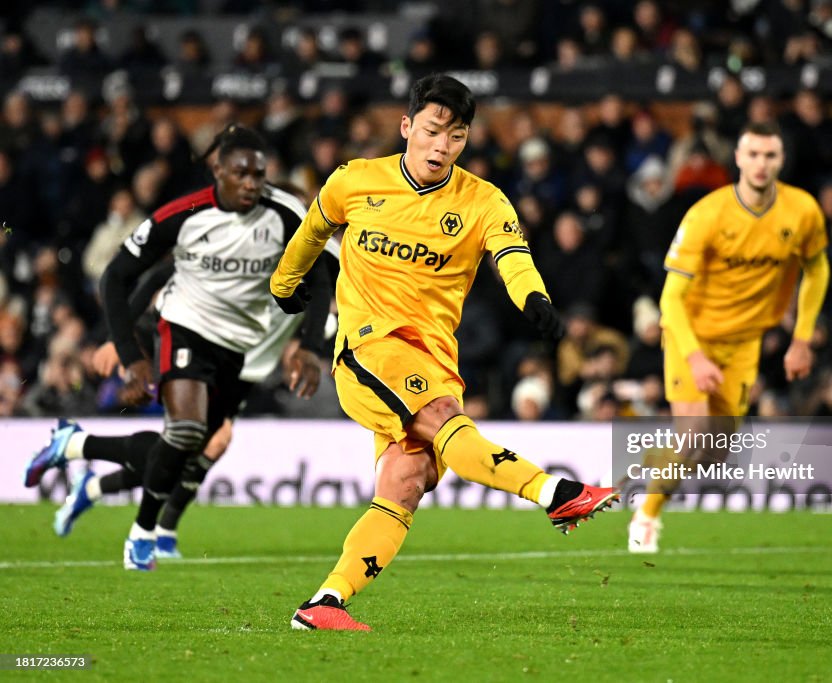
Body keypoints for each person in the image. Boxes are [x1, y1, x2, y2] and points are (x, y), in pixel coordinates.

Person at [269, 74, 619, 631]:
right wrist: (284, 284)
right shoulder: (355, 181)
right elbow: (313, 231)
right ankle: (555, 491)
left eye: (456, 137)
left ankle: (324, 602)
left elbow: (512, 253)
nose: (441, 147)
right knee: (445, 423)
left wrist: (535, 299)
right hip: (369, 349)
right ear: (407, 127)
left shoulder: (483, 200)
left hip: (434, 361)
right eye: (432, 131)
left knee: (406, 484)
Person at [24, 125, 331, 571]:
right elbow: (134, 275)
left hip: (238, 350)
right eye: (241, 173)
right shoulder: (186, 215)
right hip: (182, 326)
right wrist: (125, 347)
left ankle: (78, 451)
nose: (250, 184)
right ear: (218, 170)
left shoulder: (287, 222)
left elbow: (324, 277)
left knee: (182, 448)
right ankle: (148, 533)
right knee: (193, 437)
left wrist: (309, 346)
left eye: (258, 175)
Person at [628, 120, 829, 553]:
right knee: (696, 431)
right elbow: (671, 299)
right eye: (752, 154)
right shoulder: (707, 214)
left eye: (769, 155)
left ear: (781, 160)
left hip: (744, 344)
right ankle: (647, 513)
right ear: (738, 158)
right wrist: (696, 358)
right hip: (692, 336)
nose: (761, 163)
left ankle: (653, 468)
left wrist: (801, 339)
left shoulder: (803, 211)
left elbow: (817, 268)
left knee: (715, 450)